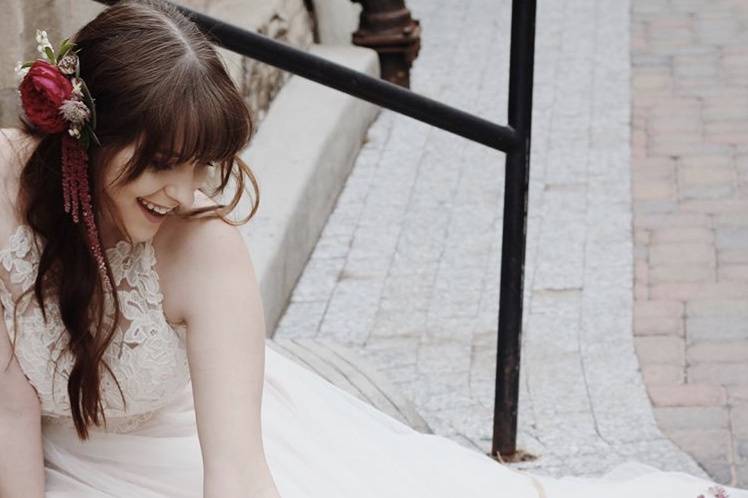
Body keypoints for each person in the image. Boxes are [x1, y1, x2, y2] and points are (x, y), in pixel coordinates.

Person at [0, 1, 744, 497]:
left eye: (201, 166)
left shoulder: (202, 247)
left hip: (201, 458)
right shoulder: (12, 215)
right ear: (83, 136)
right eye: (163, 162)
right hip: (69, 471)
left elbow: (234, 469)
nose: (187, 192)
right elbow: (11, 416)